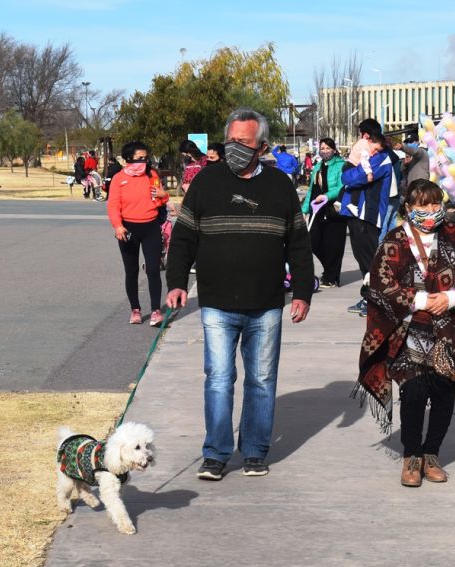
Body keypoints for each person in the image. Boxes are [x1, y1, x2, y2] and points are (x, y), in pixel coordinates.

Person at [165, 108, 314, 480]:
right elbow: (183, 237)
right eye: (230, 140)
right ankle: (216, 453)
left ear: (261, 146)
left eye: (243, 143)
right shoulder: (205, 183)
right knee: (218, 377)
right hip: (216, 301)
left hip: (265, 304)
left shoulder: (279, 186)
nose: (234, 148)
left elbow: (297, 242)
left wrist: (301, 292)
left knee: (261, 380)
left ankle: (255, 451)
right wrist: (177, 283)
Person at [355, 178, 455, 487]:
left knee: (444, 391)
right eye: (423, 205)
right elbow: (379, 284)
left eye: (435, 203)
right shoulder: (395, 241)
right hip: (407, 330)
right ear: (408, 208)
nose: (430, 211)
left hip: (449, 329)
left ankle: (432, 455)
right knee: (414, 392)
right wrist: (418, 300)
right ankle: (411, 457)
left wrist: (451, 298)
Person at [107, 141, 170, 327]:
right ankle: (135, 309)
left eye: (145, 157)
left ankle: (156, 311)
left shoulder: (152, 174)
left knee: (153, 269)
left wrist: (163, 195)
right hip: (128, 229)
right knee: (131, 271)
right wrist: (118, 226)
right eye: (139, 157)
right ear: (128, 158)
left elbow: (162, 198)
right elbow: (113, 205)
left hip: (150, 227)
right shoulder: (119, 178)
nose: (143, 160)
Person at [340, 119, 393, 317]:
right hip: (356, 214)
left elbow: (355, 177)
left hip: (368, 215)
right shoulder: (370, 153)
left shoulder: (381, 157)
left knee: (370, 260)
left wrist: (346, 174)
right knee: (362, 259)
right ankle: (368, 297)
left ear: (367, 136)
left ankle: (377, 300)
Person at [301, 138, 347, 288]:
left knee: (333, 245)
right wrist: (304, 210)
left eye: (328, 148)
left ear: (334, 150)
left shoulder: (341, 165)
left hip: (333, 211)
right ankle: (329, 270)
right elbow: (311, 191)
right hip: (317, 210)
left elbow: (342, 187)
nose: (325, 151)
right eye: (322, 148)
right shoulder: (318, 167)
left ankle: (332, 277)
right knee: (313, 242)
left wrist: (327, 195)